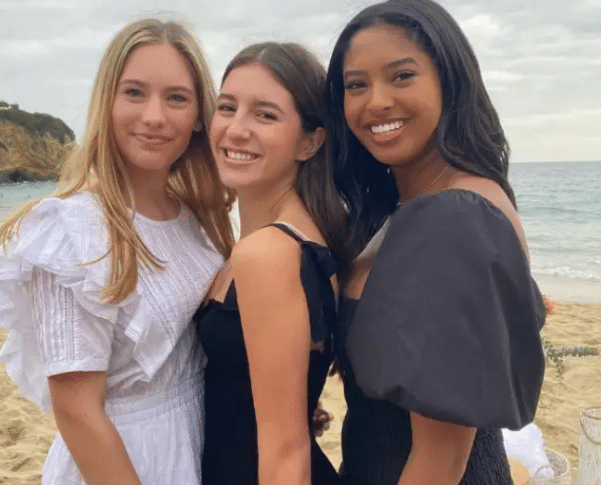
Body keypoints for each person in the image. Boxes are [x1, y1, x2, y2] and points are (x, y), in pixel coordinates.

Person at [0, 18, 234, 485]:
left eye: (176, 97)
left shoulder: (196, 216)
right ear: (106, 103)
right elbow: (78, 413)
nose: (154, 117)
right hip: (130, 459)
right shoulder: (75, 231)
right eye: (134, 92)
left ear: (200, 115)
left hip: (199, 440)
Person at [324, 1, 546, 484]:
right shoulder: (415, 205)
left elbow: (439, 463)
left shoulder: (454, 217)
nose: (376, 102)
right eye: (356, 85)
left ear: (450, 81)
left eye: (402, 76)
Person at [196, 42, 346, 485]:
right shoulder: (306, 237)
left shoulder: (268, 253)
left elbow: (285, 451)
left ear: (310, 142)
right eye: (227, 107)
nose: (236, 129)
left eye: (265, 115)